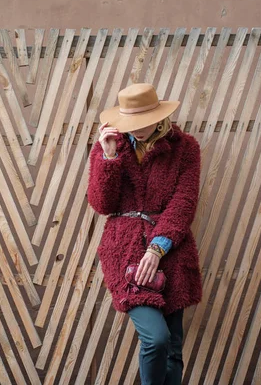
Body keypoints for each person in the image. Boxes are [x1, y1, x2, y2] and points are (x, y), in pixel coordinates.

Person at [87, 83, 203, 385]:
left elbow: (183, 204)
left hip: (172, 251)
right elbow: (102, 204)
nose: (135, 129)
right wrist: (109, 159)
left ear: (159, 115)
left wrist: (156, 249)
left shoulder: (185, 148)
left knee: (174, 349)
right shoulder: (109, 145)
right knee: (156, 339)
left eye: (142, 121)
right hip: (123, 250)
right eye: (130, 122)